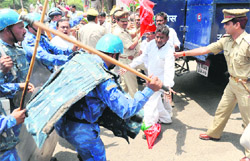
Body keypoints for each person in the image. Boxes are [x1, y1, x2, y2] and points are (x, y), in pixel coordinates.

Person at [54, 33, 163, 161]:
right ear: (113, 55)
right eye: (117, 57)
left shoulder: (81, 60)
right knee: (96, 157)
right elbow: (126, 110)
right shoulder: (102, 78)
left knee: (85, 152)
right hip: (81, 130)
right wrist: (149, 90)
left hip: (61, 123)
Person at [174, 9, 250, 161]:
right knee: (222, 110)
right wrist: (182, 54)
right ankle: (214, 133)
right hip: (232, 82)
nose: (224, 27)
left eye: (227, 24)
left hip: (246, 86)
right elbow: (205, 49)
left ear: (237, 25)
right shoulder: (226, 40)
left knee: (248, 121)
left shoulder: (248, 43)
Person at [122, 25, 175, 127]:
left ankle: (149, 126)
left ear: (167, 38)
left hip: (161, 82)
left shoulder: (169, 49)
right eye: (157, 37)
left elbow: (169, 69)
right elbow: (141, 58)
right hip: (150, 79)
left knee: (150, 103)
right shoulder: (150, 45)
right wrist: (129, 66)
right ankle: (166, 118)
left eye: (162, 37)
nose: (158, 40)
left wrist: (168, 86)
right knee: (156, 101)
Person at [0, 8, 34, 161]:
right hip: (8, 115)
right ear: (7, 30)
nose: (25, 31)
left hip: (20, 111)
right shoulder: (1, 54)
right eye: (20, 27)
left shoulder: (18, 48)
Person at [22, 13, 77, 87]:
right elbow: (44, 57)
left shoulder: (42, 38)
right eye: (39, 24)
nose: (43, 26)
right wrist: (67, 59)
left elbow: (55, 49)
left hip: (47, 75)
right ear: (29, 27)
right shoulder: (29, 40)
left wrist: (71, 51)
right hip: (37, 80)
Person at [112, 10, 139, 97]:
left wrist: (140, 31)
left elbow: (131, 35)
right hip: (127, 61)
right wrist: (139, 38)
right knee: (133, 87)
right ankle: (136, 108)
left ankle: (118, 102)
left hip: (125, 60)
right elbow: (131, 46)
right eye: (123, 21)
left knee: (125, 86)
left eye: (126, 21)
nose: (125, 23)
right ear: (117, 21)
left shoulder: (122, 29)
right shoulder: (119, 32)